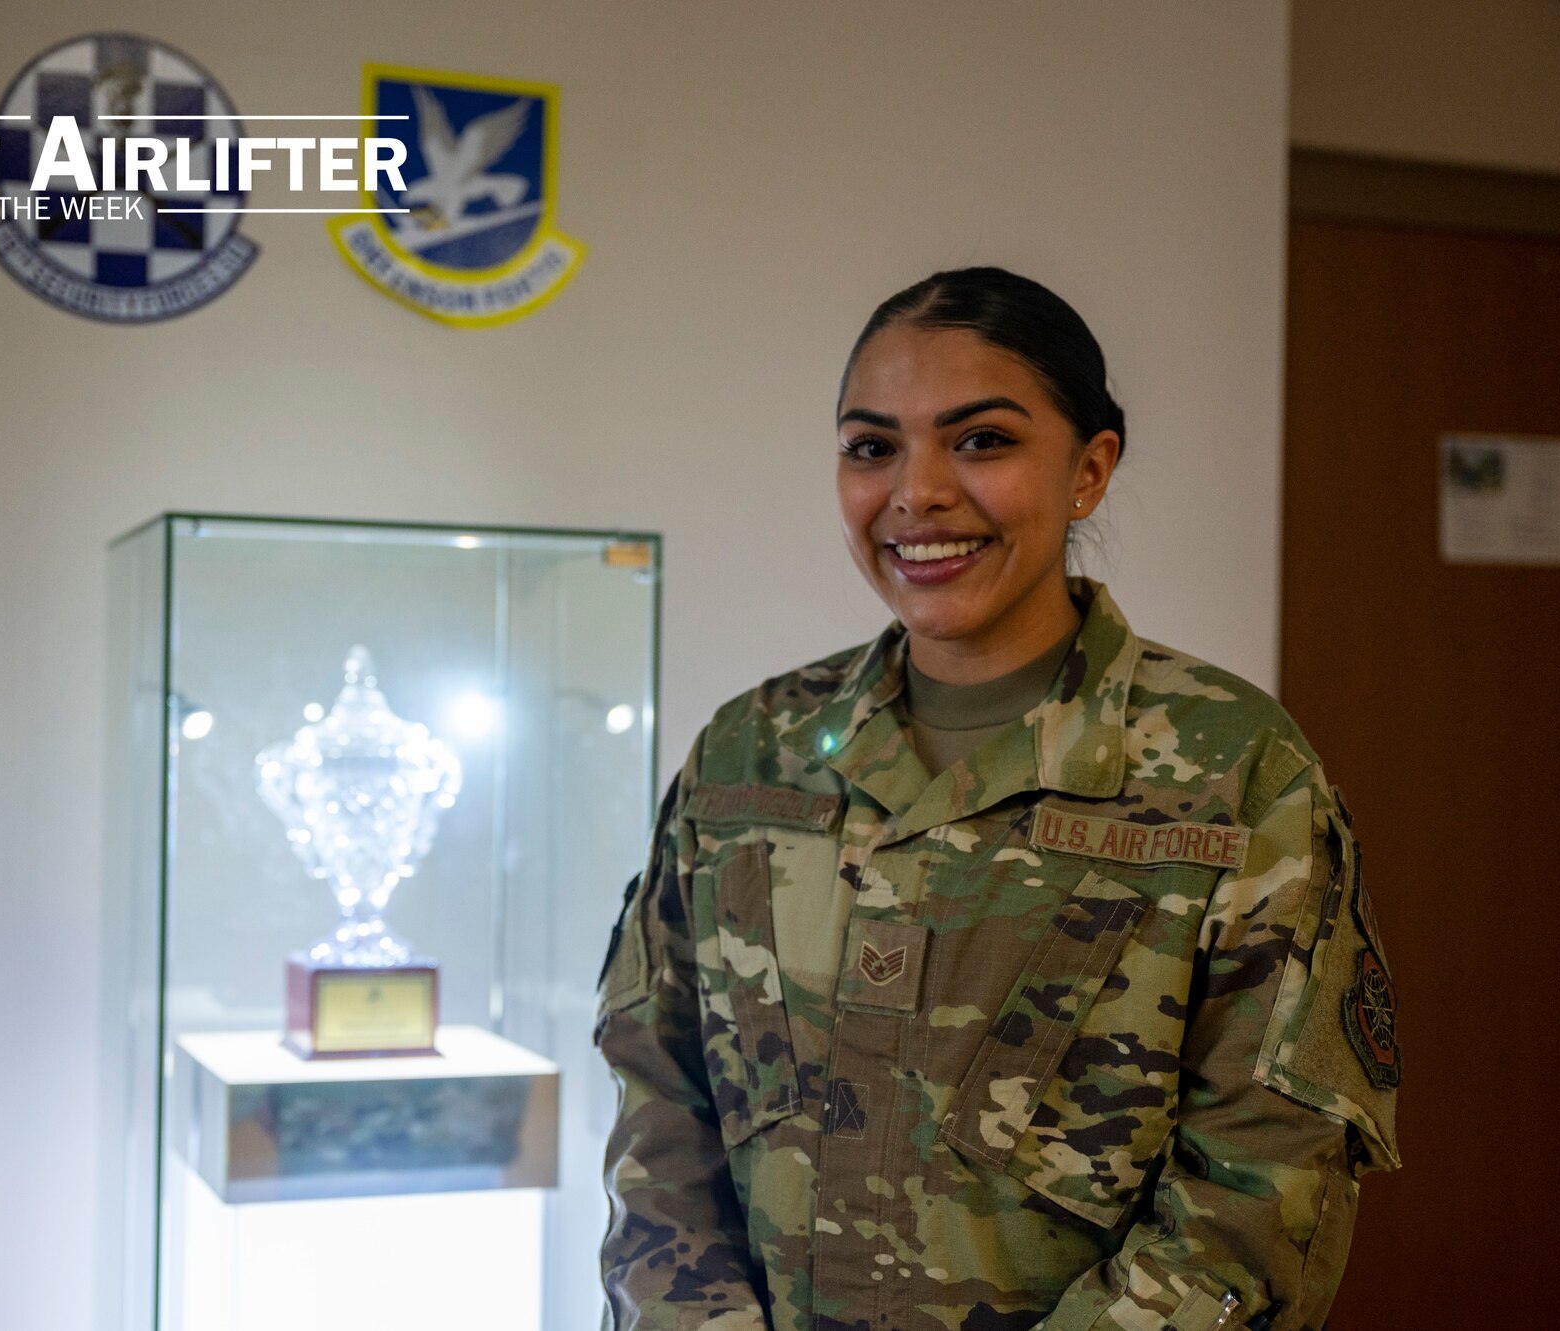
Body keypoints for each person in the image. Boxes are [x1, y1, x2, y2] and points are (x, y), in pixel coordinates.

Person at [594, 267, 1401, 1331]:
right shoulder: (752, 752)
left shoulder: (1232, 771)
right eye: (870, 445)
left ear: (1088, 468)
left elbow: (1260, 1189)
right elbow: (658, 1101)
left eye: (980, 440)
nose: (915, 492)